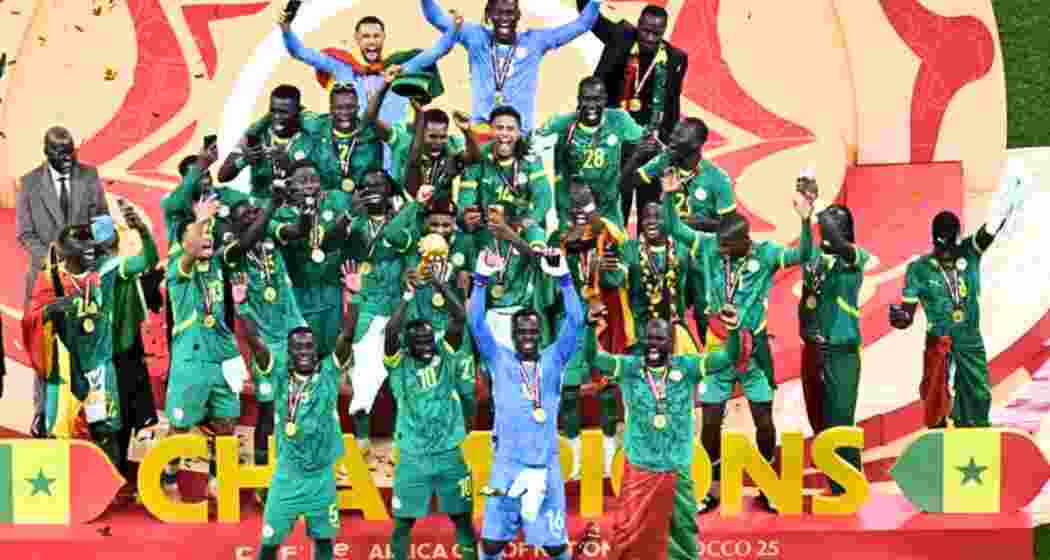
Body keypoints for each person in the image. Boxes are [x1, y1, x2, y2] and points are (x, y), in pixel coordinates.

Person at [662, 173, 814, 514]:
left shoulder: (767, 254)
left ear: (745, 242)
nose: (722, 256)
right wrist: (669, 196)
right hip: (717, 350)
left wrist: (806, 220)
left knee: (764, 420)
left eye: (728, 250)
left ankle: (768, 486)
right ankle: (710, 489)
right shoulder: (710, 248)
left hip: (753, 351)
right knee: (711, 420)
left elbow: (805, 253)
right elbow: (675, 228)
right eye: (720, 250)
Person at [586, 316, 742, 560]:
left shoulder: (687, 367)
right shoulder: (629, 368)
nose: (654, 344)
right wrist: (589, 328)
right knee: (630, 537)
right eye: (649, 338)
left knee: (682, 536)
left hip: (676, 467)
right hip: (640, 468)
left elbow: (728, 357)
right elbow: (595, 358)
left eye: (661, 339)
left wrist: (733, 329)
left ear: (672, 342)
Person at [468, 246, 584, 560]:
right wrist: (479, 281)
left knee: (555, 546)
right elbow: (476, 324)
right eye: (522, 331)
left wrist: (564, 280)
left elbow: (576, 322)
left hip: (545, 466)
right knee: (492, 544)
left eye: (533, 330)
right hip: (506, 466)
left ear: (540, 333)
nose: (528, 336)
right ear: (514, 334)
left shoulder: (554, 358)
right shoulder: (498, 358)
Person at [240, 268, 357, 560]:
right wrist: (242, 307)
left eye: (309, 346)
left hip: (321, 477)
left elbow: (347, 334)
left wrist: (353, 298)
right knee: (268, 545)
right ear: (289, 352)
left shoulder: (329, 372)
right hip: (286, 478)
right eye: (298, 347)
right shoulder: (279, 375)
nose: (304, 351)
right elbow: (256, 343)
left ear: (317, 349)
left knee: (324, 544)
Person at [16, 126, 108, 437]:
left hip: (84, 278)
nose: (67, 157)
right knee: (47, 350)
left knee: (90, 345)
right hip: (46, 279)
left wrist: (99, 252)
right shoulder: (29, 184)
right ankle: (43, 414)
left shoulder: (90, 176)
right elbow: (25, 234)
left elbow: (102, 223)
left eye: (71, 151)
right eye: (60, 153)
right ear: (46, 152)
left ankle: (92, 415)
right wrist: (55, 261)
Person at [383, 265, 477, 560]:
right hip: (412, 456)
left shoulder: (445, 356)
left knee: (463, 520)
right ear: (407, 347)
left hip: (449, 453)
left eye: (428, 340)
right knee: (401, 524)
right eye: (418, 341)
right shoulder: (398, 365)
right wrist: (408, 296)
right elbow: (390, 330)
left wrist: (437, 282)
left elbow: (460, 316)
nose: (426, 344)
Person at [889, 209, 1006, 428]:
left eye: (949, 247)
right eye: (939, 247)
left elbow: (988, 232)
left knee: (979, 396)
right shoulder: (919, 269)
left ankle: (974, 435)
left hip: (969, 340)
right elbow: (907, 314)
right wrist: (900, 318)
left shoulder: (969, 251)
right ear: (933, 240)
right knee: (935, 401)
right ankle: (939, 446)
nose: (944, 253)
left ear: (958, 240)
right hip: (939, 341)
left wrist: (1002, 210)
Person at [161, 209, 249, 500]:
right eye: (200, 232)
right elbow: (189, 252)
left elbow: (239, 245)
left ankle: (216, 480)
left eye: (210, 232)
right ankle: (168, 478)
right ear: (184, 241)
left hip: (222, 355)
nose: (206, 236)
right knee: (180, 425)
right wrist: (199, 219)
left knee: (226, 423)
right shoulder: (177, 268)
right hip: (191, 359)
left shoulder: (216, 265)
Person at [420, 0, 602, 134]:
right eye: (499, 13)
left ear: (518, 14)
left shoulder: (535, 42)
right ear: (489, 14)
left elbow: (582, 24)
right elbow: (435, 17)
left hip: (520, 134)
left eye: (510, 12)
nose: (504, 19)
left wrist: (594, 2)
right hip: (482, 131)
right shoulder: (474, 35)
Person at [280, 2, 457, 133]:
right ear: (356, 38)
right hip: (357, 153)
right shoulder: (342, 68)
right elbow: (299, 52)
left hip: (394, 154)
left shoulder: (400, 67)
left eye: (376, 36)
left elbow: (437, 51)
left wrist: (455, 27)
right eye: (365, 36)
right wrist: (286, 29)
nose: (371, 41)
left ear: (384, 37)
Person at [224, 196, 306, 471]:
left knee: (299, 403)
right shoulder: (233, 252)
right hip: (265, 342)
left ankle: (296, 463)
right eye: (244, 215)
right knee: (268, 409)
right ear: (234, 224)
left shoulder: (270, 235)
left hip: (294, 331)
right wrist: (271, 204)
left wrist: (305, 212)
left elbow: (296, 231)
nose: (252, 217)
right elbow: (249, 239)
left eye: (253, 212)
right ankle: (262, 469)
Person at [384, 190, 478, 425]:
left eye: (446, 224)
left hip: (453, 329)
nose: (439, 229)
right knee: (420, 389)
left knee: (466, 390)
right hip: (420, 331)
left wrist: (466, 281)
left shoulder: (464, 243)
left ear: (454, 224)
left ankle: (467, 445)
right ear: (425, 222)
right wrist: (416, 204)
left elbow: (474, 282)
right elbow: (391, 232)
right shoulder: (413, 241)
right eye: (433, 223)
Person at [553, 184, 628, 478]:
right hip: (571, 321)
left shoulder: (608, 234)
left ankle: (610, 461)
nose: (580, 213)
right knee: (569, 392)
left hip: (603, 320)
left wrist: (604, 271)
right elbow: (554, 288)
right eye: (574, 207)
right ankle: (574, 461)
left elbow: (619, 277)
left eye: (586, 206)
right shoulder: (560, 240)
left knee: (608, 390)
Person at [798, 197, 868, 495]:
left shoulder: (855, 259)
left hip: (843, 351)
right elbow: (806, 303)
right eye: (829, 221)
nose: (830, 226)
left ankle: (850, 487)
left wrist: (814, 210)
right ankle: (835, 486)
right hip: (813, 350)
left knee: (840, 421)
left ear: (847, 231)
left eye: (837, 222)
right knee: (819, 422)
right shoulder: (814, 260)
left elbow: (836, 240)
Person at [94, 210, 162, 495]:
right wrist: (144, 233)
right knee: (123, 415)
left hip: (101, 354)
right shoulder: (117, 267)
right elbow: (149, 259)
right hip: (120, 354)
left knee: (109, 418)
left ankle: (110, 478)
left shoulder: (88, 271)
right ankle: (114, 478)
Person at [532, 77, 646, 231]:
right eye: (586, 99)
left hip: (608, 207)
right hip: (572, 207)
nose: (592, 105)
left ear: (605, 100)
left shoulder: (619, 119)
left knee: (617, 251)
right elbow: (530, 145)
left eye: (597, 99)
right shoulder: (560, 123)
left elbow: (647, 141)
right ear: (579, 100)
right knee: (571, 249)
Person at [344, 170, 404, 454]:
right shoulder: (353, 224)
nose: (372, 190)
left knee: (399, 376)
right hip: (367, 306)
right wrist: (349, 213)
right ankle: (361, 439)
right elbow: (332, 247)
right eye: (366, 187)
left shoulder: (402, 222)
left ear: (390, 189)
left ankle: (398, 439)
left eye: (379, 185)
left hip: (399, 304)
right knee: (364, 375)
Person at [271, 160, 352, 358]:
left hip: (331, 290)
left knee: (331, 352)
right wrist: (307, 214)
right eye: (303, 181)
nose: (310, 185)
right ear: (289, 186)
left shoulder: (334, 202)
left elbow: (339, 236)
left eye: (314, 180)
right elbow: (298, 231)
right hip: (300, 293)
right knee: (304, 353)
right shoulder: (279, 214)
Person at [576, 2, 687, 143]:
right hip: (605, 124)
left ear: (664, 30)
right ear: (639, 24)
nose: (649, 38)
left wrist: (669, 144)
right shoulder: (621, 36)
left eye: (656, 34)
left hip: (641, 137)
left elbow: (672, 105)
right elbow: (590, 17)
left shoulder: (675, 59)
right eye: (646, 31)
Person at [217, 85, 318, 200]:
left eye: (284, 112)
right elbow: (222, 176)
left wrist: (288, 165)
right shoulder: (256, 135)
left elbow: (318, 183)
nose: (277, 117)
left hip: (295, 211)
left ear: (297, 111)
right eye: (273, 111)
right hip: (261, 210)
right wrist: (244, 160)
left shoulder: (309, 137)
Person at [162, 141, 247, 250]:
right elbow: (178, 200)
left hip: (216, 257)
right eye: (200, 178)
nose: (206, 181)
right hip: (186, 260)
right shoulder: (172, 202)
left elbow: (252, 204)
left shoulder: (222, 194)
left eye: (207, 175)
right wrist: (202, 162)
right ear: (187, 181)